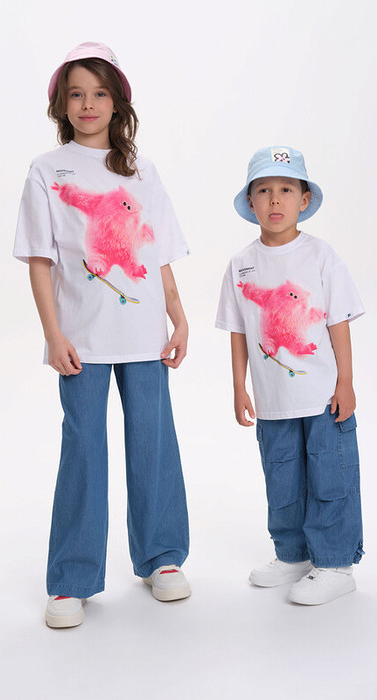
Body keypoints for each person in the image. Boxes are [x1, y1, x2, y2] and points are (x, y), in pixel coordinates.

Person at [13, 42, 191, 628]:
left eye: (99, 93)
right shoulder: (47, 169)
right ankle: (71, 579)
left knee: (153, 444)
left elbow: (159, 253)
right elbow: (40, 260)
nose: (87, 104)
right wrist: (53, 334)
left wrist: (178, 317)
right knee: (83, 450)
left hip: (144, 335)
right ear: (62, 104)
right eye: (76, 94)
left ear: (118, 103)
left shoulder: (142, 171)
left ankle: (162, 557)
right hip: (81, 341)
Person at [216, 146, 365, 605]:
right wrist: (239, 386)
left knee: (330, 477)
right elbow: (238, 330)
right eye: (264, 190)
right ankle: (293, 554)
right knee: (281, 479)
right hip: (273, 400)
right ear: (251, 202)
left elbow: (338, 321)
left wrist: (346, 382)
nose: (275, 199)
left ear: (304, 200)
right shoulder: (241, 264)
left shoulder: (320, 255)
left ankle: (336, 564)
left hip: (322, 397)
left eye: (285, 189)